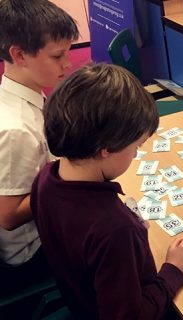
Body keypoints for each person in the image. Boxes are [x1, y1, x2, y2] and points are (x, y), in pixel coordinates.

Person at [31, 63, 183, 319]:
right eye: (136, 147)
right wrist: (173, 271)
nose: (137, 154)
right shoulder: (114, 228)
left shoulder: (46, 178)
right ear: (106, 148)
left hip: (80, 300)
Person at [0, 0, 78, 295]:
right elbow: (7, 216)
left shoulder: (26, 95)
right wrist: (68, 180)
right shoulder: (15, 129)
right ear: (19, 55)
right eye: (57, 56)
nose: (68, 64)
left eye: (68, 53)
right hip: (32, 254)